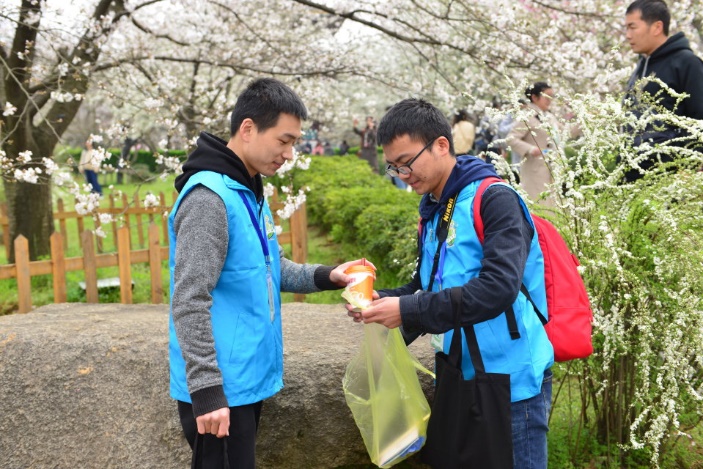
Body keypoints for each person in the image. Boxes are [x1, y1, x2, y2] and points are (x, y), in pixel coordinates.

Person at [169, 77, 372, 469]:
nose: (290, 154)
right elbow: (189, 299)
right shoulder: (209, 198)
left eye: (294, 143)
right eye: (284, 141)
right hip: (219, 390)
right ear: (248, 129)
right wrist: (207, 391)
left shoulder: (246, 189)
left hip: (242, 381)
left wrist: (330, 275)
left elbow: (270, 268)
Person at [347, 98, 554, 469]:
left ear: (441, 145)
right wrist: (381, 302)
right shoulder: (434, 207)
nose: (402, 174)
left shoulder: (494, 199)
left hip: (510, 383)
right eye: (393, 166)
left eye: (407, 162)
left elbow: (497, 289)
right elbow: (425, 285)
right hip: (461, 373)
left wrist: (408, 309)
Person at [622, 0, 703, 181]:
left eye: (632, 27)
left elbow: (700, 119)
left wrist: (688, 166)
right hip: (634, 177)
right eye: (626, 28)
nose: (627, 35)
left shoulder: (686, 63)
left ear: (657, 27)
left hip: (671, 177)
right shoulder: (641, 66)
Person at [507, 82, 560, 207]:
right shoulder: (527, 116)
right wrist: (530, 149)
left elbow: (566, 131)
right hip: (535, 169)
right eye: (546, 96)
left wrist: (584, 119)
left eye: (552, 96)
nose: (550, 100)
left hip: (552, 168)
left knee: (553, 206)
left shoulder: (549, 117)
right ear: (535, 97)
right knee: (538, 204)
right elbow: (511, 138)